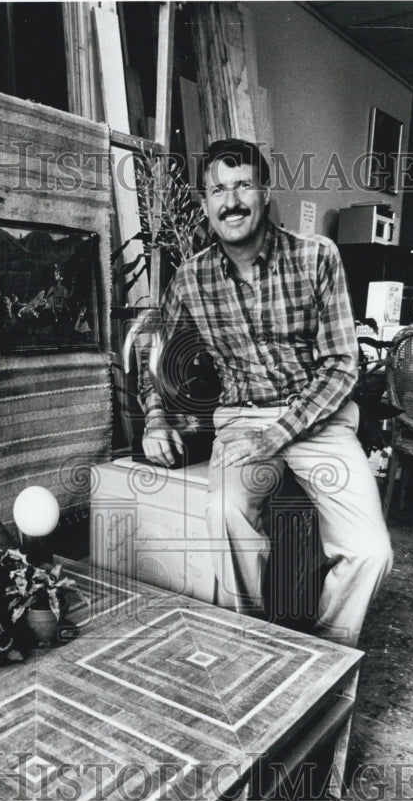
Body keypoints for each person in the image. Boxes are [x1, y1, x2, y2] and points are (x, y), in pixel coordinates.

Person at [138, 138, 392, 647]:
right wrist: (155, 418)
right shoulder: (190, 279)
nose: (231, 201)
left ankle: (323, 651)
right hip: (242, 420)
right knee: (225, 511)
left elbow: (343, 365)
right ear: (205, 202)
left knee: (370, 552)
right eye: (218, 190)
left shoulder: (316, 256)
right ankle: (249, 640)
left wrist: (276, 435)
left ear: (266, 192)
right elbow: (157, 356)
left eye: (243, 186)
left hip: (318, 420)